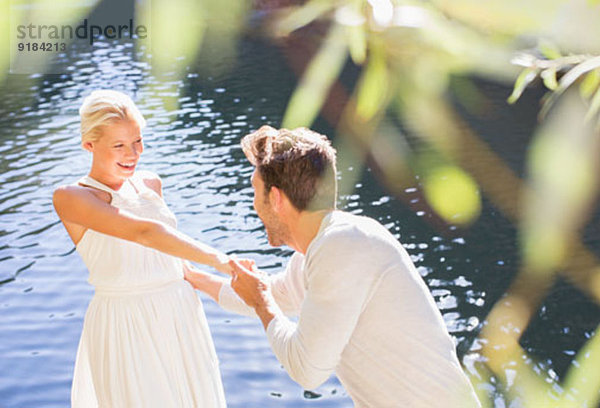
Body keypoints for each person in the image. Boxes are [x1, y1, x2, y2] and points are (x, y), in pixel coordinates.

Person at [185, 125, 481, 407]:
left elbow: (307, 370)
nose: (253, 204)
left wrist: (261, 301)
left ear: (275, 198)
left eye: (255, 191)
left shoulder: (342, 246)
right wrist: (193, 277)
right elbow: (272, 294)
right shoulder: (318, 252)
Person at [53, 90, 229, 407]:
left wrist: (217, 283)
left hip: (180, 314)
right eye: (119, 145)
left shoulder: (150, 184)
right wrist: (220, 259)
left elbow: (165, 255)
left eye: (137, 141)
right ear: (89, 145)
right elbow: (144, 232)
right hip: (126, 322)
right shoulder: (72, 198)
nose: (133, 153)